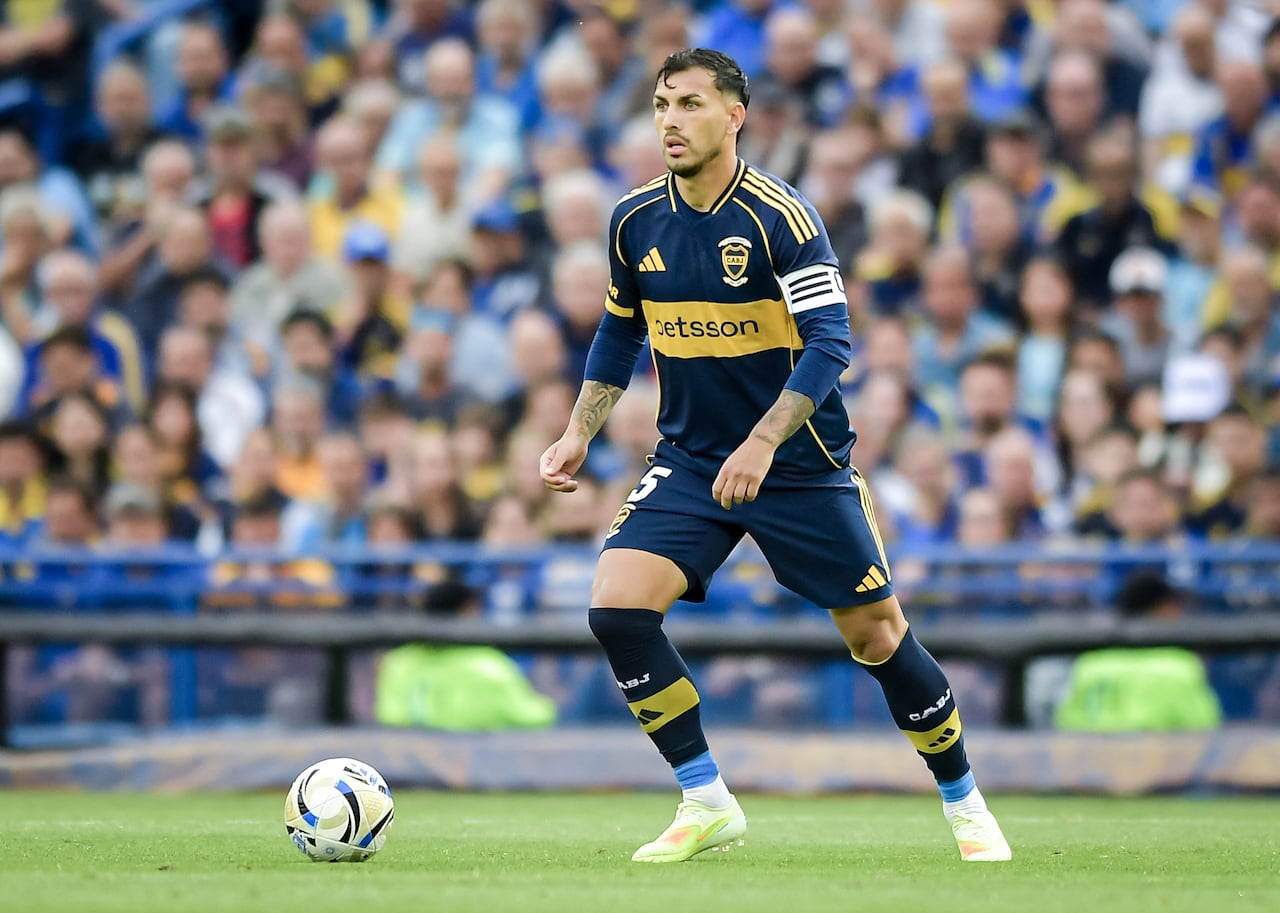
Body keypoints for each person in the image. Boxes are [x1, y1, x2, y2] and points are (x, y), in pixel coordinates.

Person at [539, 49, 1010, 864]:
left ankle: (966, 802)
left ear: (735, 115)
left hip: (799, 464)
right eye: (660, 104)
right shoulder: (632, 221)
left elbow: (832, 341)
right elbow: (620, 329)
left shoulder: (780, 218)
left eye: (689, 103)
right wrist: (579, 428)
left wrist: (764, 439)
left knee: (876, 637)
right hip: (691, 459)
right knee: (616, 608)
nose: (670, 120)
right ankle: (705, 798)